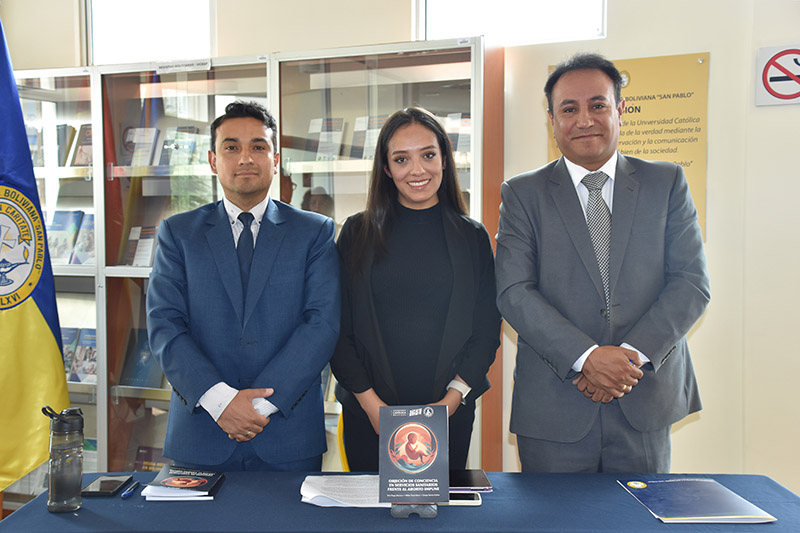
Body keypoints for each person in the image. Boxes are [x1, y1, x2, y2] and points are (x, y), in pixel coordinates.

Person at [495, 53, 710, 473]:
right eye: (569, 109)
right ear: (552, 119)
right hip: (555, 408)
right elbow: (513, 292)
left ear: (620, 110)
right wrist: (587, 356)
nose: (584, 119)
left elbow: (691, 283)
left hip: (643, 400)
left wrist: (627, 359)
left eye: (598, 105)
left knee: (639, 520)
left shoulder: (665, 183)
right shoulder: (522, 194)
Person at [146, 101, 340, 471]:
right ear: (213, 160)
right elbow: (164, 325)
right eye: (231, 147)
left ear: (276, 158)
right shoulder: (179, 233)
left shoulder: (314, 232)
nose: (245, 158)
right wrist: (221, 402)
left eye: (258, 147)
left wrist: (255, 407)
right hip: (201, 432)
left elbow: (322, 324)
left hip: (287, 432)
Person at [331, 106, 501, 471]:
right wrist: (372, 405)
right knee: (369, 522)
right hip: (368, 413)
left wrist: (449, 403)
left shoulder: (472, 237)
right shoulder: (356, 233)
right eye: (401, 159)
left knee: (440, 524)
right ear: (387, 169)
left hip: (449, 414)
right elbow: (337, 329)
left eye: (427, 155)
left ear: (444, 158)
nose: (417, 170)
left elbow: (486, 330)